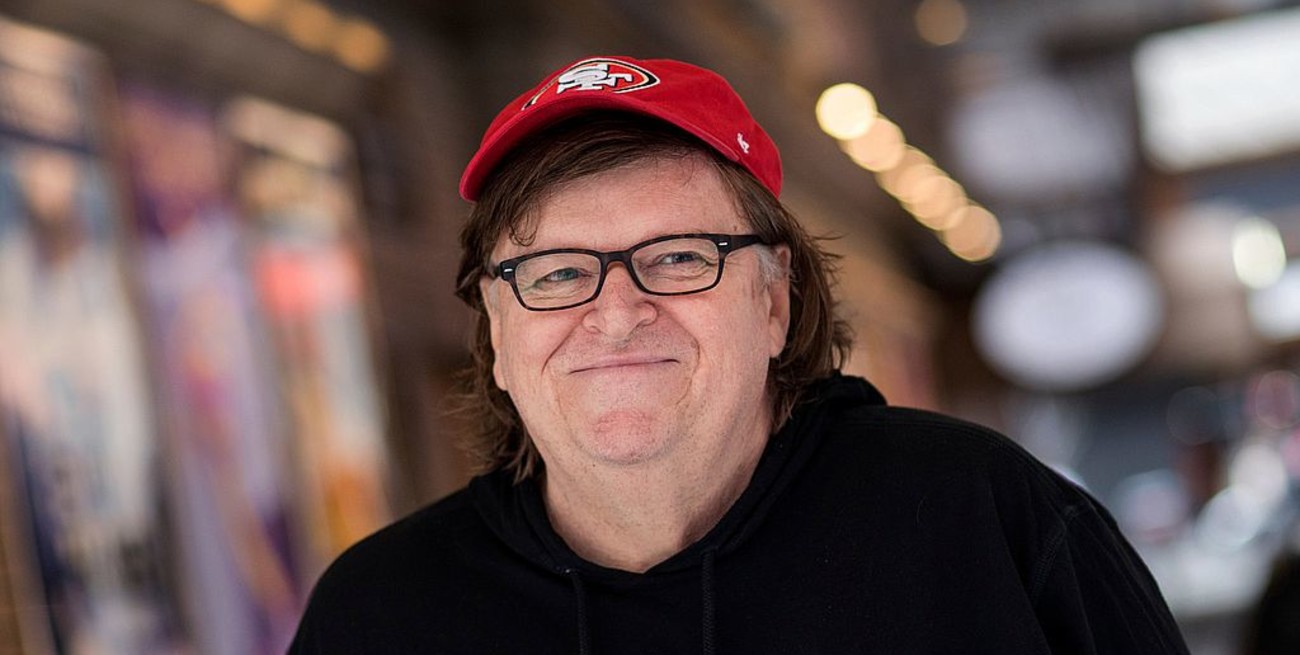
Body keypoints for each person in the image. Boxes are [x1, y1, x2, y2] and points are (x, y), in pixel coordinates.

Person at [288, 56, 1190, 654]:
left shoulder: (982, 518)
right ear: (496, 333)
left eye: (680, 257)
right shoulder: (379, 615)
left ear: (774, 300)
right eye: (557, 273)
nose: (616, 313)